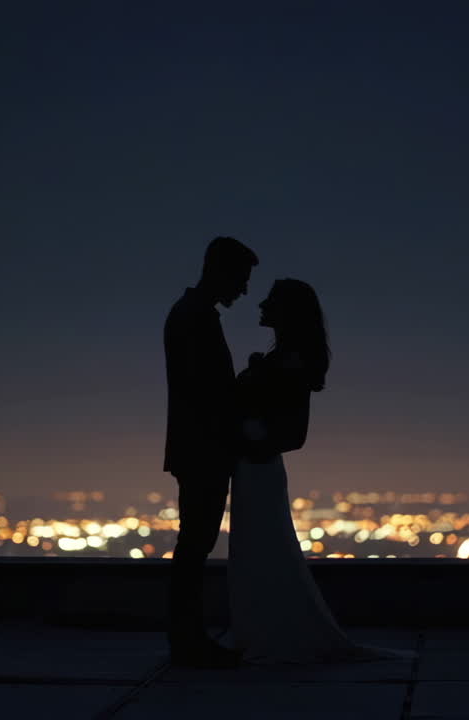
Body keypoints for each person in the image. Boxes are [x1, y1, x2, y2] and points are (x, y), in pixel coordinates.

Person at [228, 279, 413, 663]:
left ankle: (270, 629)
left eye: (271, 301)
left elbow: (293, 432)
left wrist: (252, 430)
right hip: (254, 465)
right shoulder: (284, 359)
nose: (261, 304)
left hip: (259, 463)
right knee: (260, 546)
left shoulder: (289, 362)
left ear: (287, 311)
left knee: (263, 546)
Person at [163, 236, 257, 668]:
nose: (243, 290)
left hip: (197, 448)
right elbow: (206, 391)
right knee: (195, 544)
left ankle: (187, 636)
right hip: (203, 449)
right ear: (221, 271)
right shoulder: (195, 317)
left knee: (194, 543)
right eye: (241, 279)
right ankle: (188, 639)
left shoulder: (190, 314)